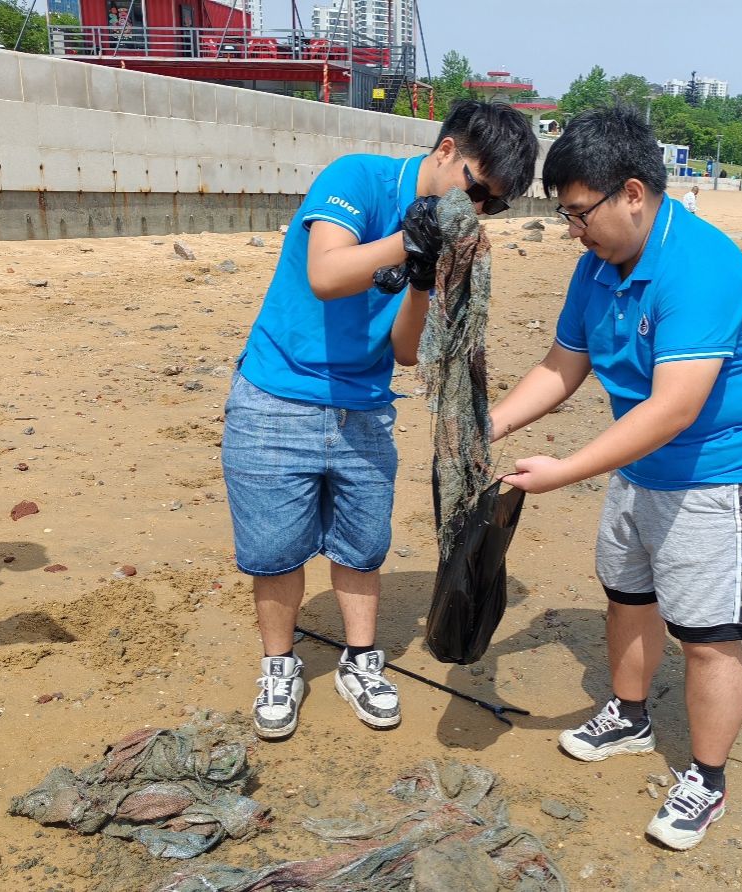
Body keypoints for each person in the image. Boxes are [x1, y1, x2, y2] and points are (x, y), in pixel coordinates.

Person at [490, 107, 742, 852]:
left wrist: (564, 471)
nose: (573, 231)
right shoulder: (597, 266)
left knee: (709, 635)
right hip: (639, 465)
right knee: (628, 596)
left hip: (725, 476)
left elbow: (674, 407)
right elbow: (562, 366)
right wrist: (488, 426)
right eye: (564, 216)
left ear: (633, 193)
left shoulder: (701, 267)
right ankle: (629, 716)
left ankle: (708, 779)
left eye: (579, 213)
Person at [222, 100, 538, 741]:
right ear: (446, 151)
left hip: (365, 408)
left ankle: (360, 661)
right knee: (275, 553)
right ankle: (279, 666)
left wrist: (420, 281)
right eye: (477, 189)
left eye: (494, 206)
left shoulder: (445, 237)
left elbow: (404, 351)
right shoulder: (356, 178)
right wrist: (409, 239)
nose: (477, 210)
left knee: (362, 548)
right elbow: (325, 273)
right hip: (277, 397)